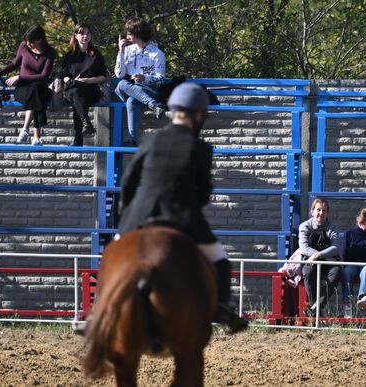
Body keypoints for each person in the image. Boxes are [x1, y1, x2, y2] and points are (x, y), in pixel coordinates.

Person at [116, 82, 247, 333]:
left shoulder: (151, 140)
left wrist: (128, 213)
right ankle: (221, 306)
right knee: (220, 260)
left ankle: (99, 310)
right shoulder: (201, 148)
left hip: (139, 216)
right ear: (198, 115)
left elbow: (129, 180)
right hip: (182, 216)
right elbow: (205, 192)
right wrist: (192, 206)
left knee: (113, 255)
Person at [0, 25, 55, 146]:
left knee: (36, 89)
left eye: (31, 41)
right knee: (36, 95)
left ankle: (25, 129)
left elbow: (44, 76)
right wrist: (0, 72)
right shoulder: (23, 46)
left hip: (40, 88)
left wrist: (19, 77)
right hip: (23, 89)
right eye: (27, 41)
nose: (28, 44)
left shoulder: (50, 52)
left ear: (40, 40)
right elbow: (15, 64)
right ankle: (35, 136)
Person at [114, 17, 166, 145]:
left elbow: (160, 80)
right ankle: (154, 105)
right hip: (129, 88)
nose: (127, 36)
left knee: (132, 101)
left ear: (139, 34)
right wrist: (120, 52)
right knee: (121, 84)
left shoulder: (157, 53)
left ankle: (133, 139)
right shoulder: (127, 50)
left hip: (149, 90)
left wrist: (144, 78)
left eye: (130, 34)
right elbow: (119, 74)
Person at [61, 22, 108, 146]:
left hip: (90, 89)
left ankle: (79, 136)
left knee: (77, 97)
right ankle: (86, 124)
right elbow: (64, 75)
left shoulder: (96, 55)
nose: (85, 36)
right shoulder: (70, 55)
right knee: (75, 92)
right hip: (73, 87)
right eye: (82, 33)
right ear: (75, 35)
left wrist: (88, 80)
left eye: (87, 34)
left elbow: (103, 76)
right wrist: (69, 80)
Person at [298, 198, 341, 317]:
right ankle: (316, 308)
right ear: (312, 211)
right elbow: (304, 248)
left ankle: (314, 309)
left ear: (327, 213)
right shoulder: (304, 226)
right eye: (318, 210)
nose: (321, 213)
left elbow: (336, 247)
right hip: (311, 263)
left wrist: (319, 255)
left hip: (328, 263)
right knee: (307, 271)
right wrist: (320, 255)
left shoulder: (333, 227)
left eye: (324, 210)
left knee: (337, 271)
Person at [341, 208, 366, 318]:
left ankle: (364, 297)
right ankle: (347, 303)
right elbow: (344, 252)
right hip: (352, 264)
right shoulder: (349, 233)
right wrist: (344, 266)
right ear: (361, 222)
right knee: (347, 272)